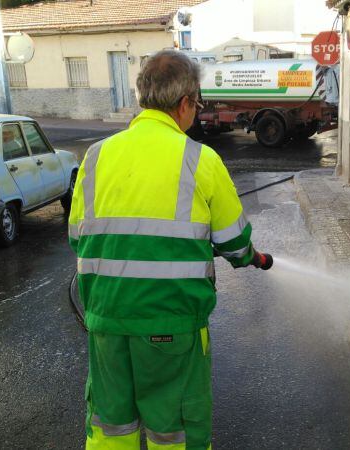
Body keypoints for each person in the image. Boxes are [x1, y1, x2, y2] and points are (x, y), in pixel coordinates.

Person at [68, 50, 271, 450]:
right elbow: (233, 243)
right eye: (197, 105)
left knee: (112, 426)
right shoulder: (201, 160)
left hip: (106, 321)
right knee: (175, 430)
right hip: (172, 326)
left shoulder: (96, 156)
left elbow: (78, 236)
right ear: (184, 104)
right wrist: (251, 257)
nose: (195, 113)